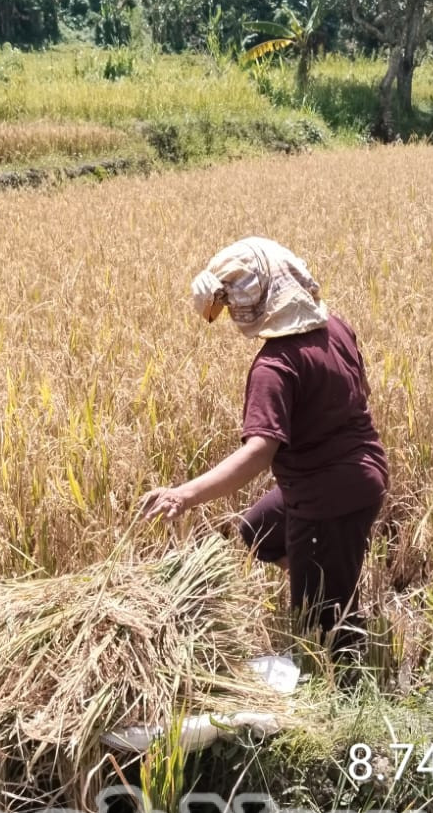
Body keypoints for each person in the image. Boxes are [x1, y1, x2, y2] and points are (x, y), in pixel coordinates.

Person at [140, 237, 389, 663]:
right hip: (363, 472)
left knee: (319, 632)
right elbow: (362, 390)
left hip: (327, 498)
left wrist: (183, 495)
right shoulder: (336, 327)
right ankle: (328, 580)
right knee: (258, 529)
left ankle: (341, 659)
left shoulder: (274, 366)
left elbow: (259, 453)